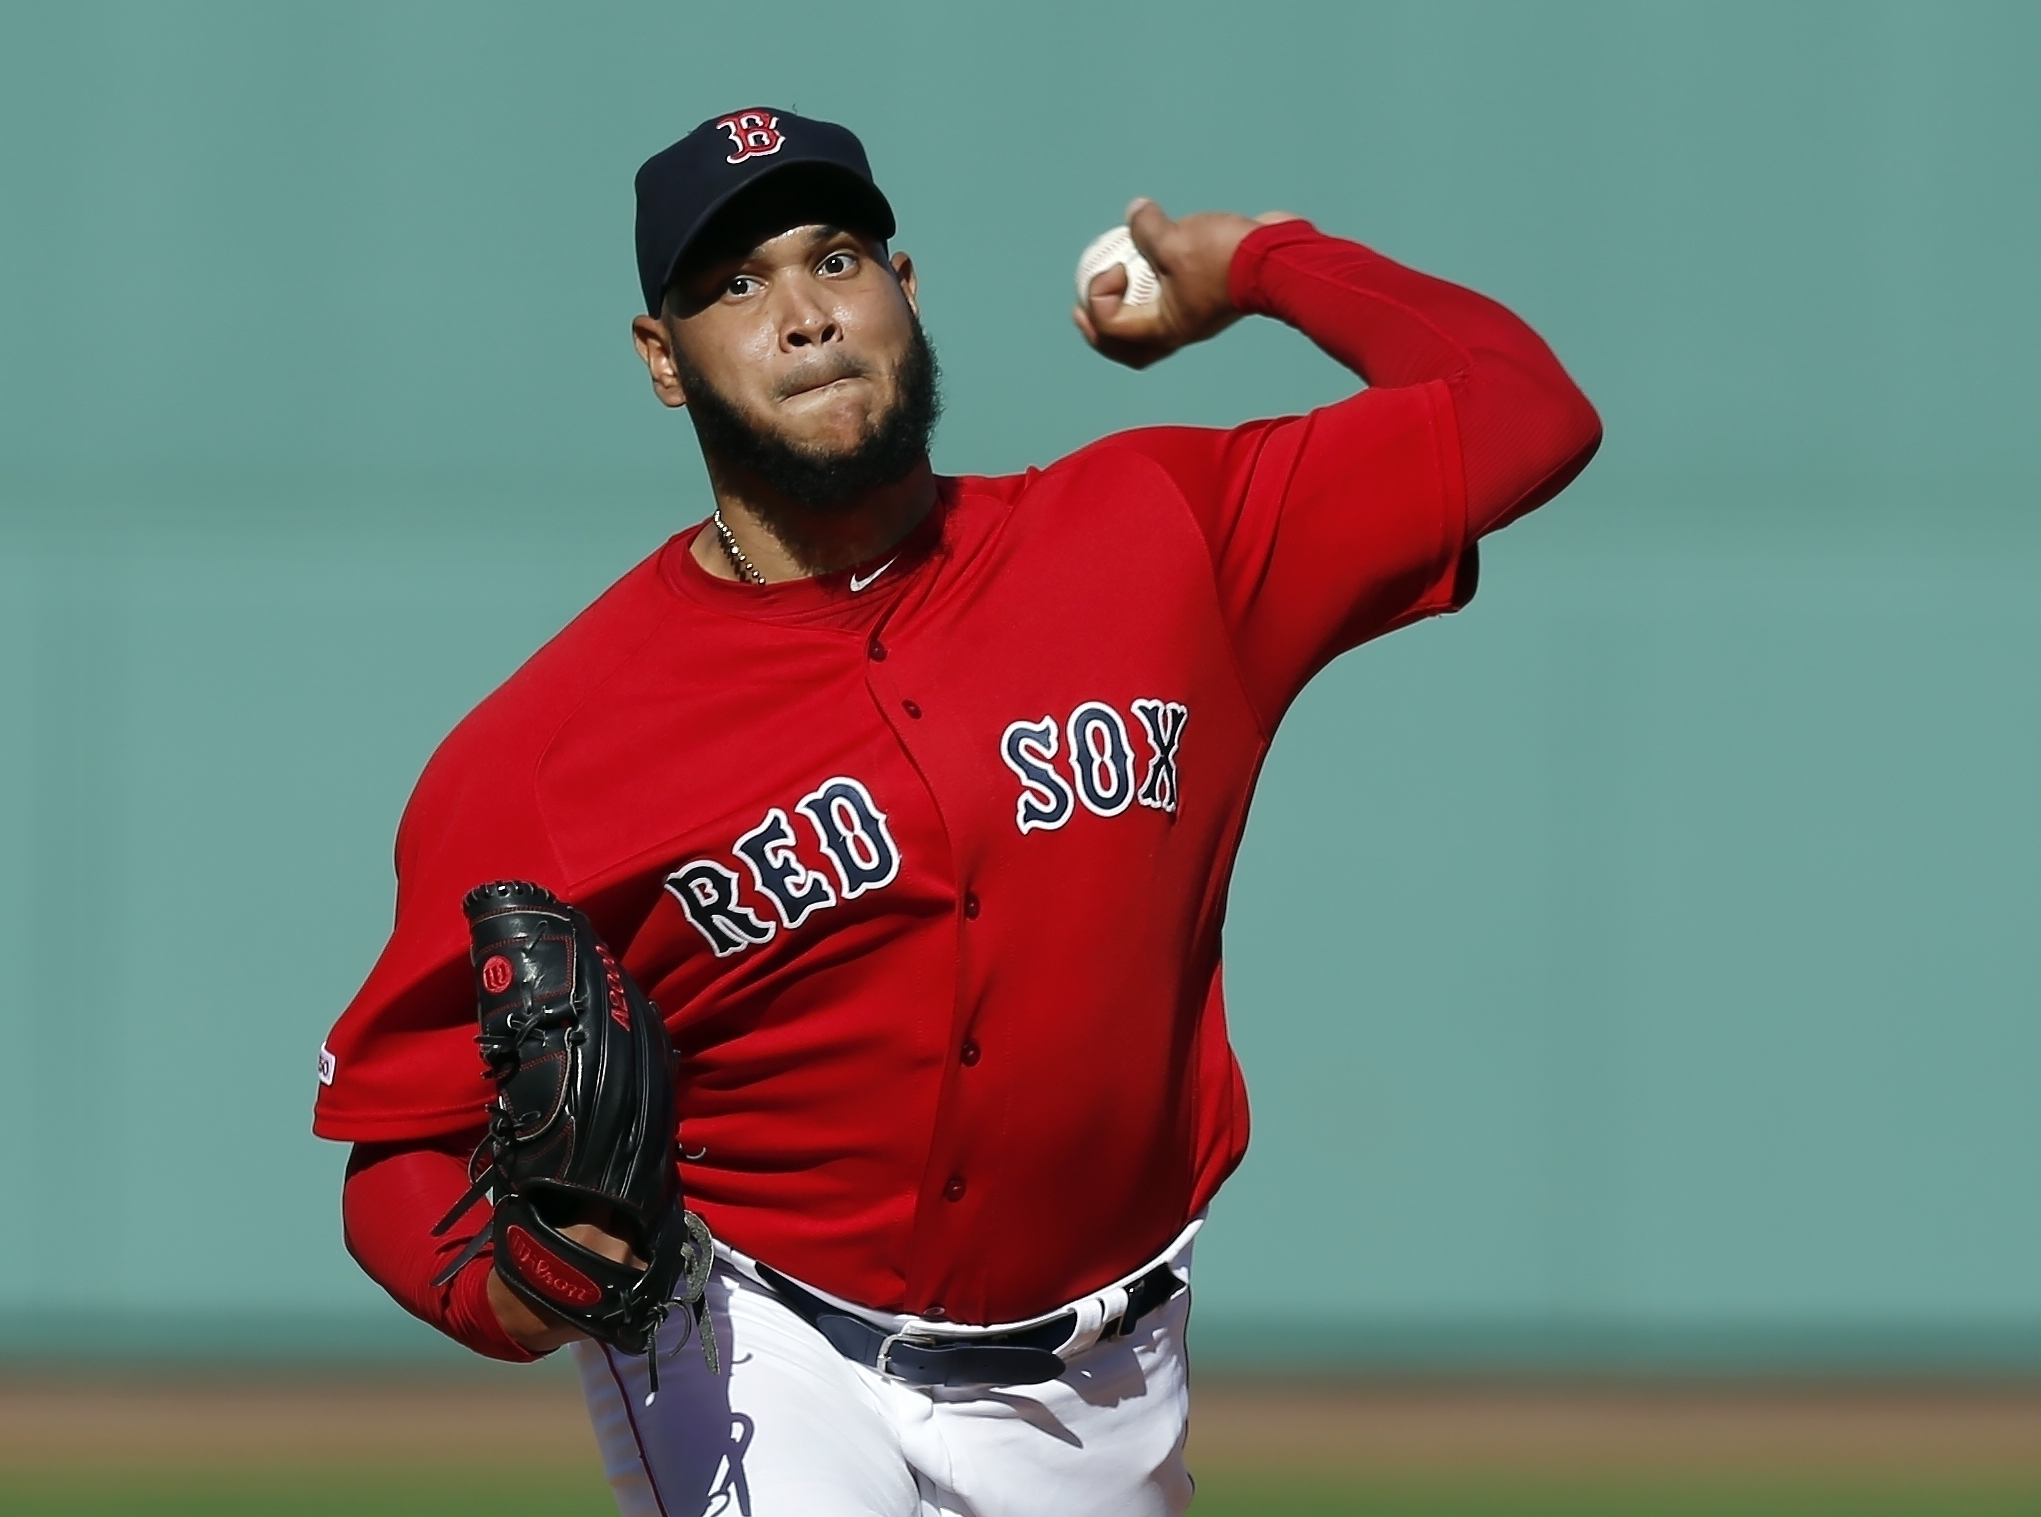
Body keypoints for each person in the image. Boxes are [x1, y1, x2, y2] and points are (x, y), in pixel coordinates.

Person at [315, 107, 1599, 1516]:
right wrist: (508, 1291)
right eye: (734, 286)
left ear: (906, 293)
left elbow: (1523, 413)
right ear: (662, 361)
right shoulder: (546, 751)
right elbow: (398, 1147)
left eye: (838, 257)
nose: (804, 315)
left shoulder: (1159, 532)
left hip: (1107, 1376)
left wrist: (1257, 265)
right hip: (752, 1338)